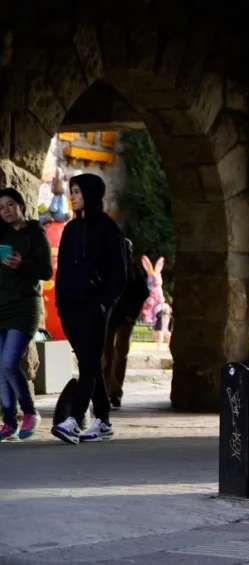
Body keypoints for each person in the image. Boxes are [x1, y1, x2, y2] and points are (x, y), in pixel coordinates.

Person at [51, 174, 128, 444]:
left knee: (88, 364)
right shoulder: (71, 229)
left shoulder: (109, 228)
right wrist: (61, 303)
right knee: (91, 363)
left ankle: (74, 418)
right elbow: (63, 271)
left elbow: (119, 273)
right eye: (71, 191)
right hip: (70, 307)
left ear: (91, 194)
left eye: (77, 192)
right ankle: (104, 421)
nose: (73, 196)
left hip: (95, 307)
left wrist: (103, 302)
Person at [0, 188, 53, 442]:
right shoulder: (2, 235)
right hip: (1, 305)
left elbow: (46, 271)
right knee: (1, 368)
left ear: (21, 205)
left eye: (10, 205)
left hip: (24, 307)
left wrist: (23, 264)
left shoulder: (35, 233)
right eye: (1, 208)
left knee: (10, 361)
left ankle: (30, 412)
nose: (6, 211)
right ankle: (9, 422)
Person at [103, 238, 150, 409]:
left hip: (124, 318)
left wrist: (132, 314)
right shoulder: (108, 269)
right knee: (106, 355)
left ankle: (115, 392)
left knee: (119, 354)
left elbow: (142, 293)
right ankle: (106, 390)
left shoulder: (133, 271)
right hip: (109, 317)